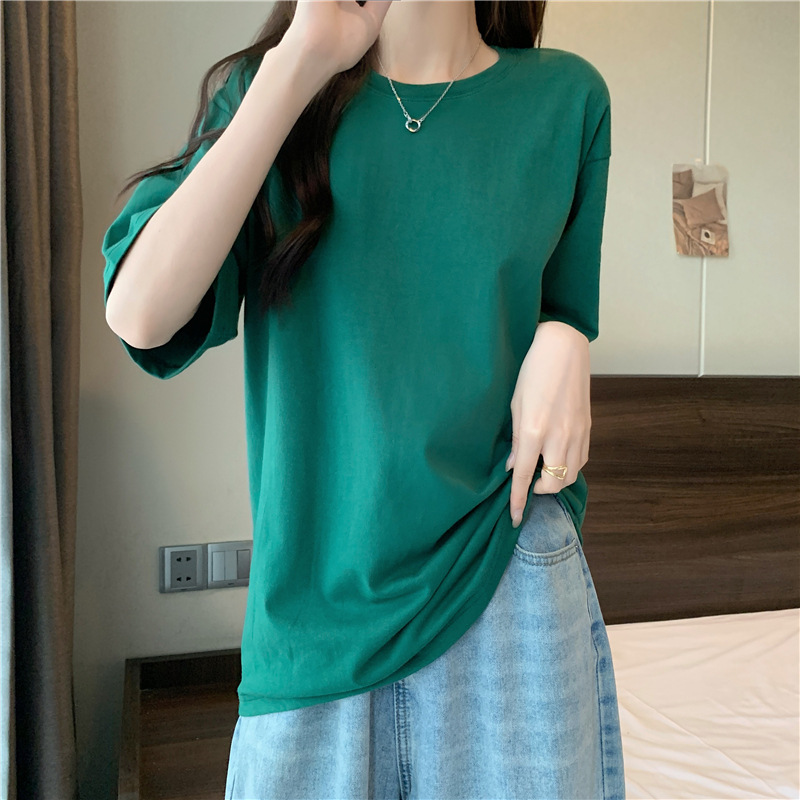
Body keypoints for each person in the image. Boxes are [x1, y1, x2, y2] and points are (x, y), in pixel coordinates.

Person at [101, 1, 625, 797]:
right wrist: (303, 58)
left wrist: (567, 335)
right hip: (316, 616)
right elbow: (141, 315)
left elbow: (566, 303)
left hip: (507, 576)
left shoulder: (567, 99)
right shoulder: (274, 87)